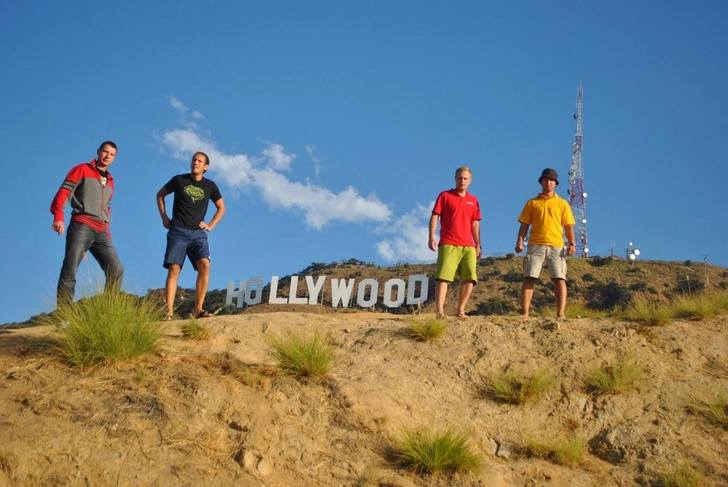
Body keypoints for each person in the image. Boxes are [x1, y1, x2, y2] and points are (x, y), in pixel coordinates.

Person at [50, 141, 124, 307]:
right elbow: (64, 192)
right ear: (98, 152)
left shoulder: (111, 181)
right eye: (105, 152)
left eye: (112, 154)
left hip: (102, 231)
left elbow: (107, 208)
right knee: (70, 269)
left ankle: (109, 310)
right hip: (82, 226)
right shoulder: (82, 169)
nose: (107, 156)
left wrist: (108, 232)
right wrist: (58, 215)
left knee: (117, 269)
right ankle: (63, 315)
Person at [157, 151, 226, 320]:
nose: (196, 162)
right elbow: (160, 194)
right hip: (178, 230)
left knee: (205, 264)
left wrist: (210, 225)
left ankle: (198, 309)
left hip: (198, 233)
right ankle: (169, 312)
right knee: (174, 268)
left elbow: (221, 207)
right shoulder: (179, 180)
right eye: (194, 159)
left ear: (205, 166)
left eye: (200, 161)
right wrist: (164, 217)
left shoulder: (210, 186)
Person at [515, 168, 576, 318]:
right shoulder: (532, 203)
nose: (548, 182)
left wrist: (572, 243)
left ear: (555, 183)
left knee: (559, 278)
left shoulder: (562, 204)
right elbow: (524, 224)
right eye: (545, 180)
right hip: (535, 244)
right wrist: (520, 241)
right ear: (541, 182)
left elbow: (568, 226)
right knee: (529, 277)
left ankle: (560, 313)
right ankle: (525, 313)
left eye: (551, 180)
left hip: (556, 245)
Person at [428, 166, 482, 318]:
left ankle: (461, 310)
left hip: (468, 245)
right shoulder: (445, 195)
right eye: (460, 177)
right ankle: (439, 312)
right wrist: (431, 236)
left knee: (470, 277)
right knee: (443, 276)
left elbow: (475, 224)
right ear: (455, 178)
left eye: (465, 178)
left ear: (470, 181)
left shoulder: (473, 200)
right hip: (449, 242)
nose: (462, 181)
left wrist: (478, 244)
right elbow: (435, 216)